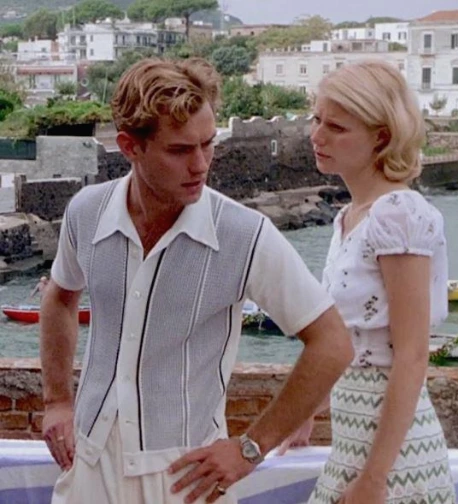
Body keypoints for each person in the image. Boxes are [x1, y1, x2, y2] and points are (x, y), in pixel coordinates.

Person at [39, 57, 354, 504]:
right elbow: (59, 297)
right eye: (180, 150)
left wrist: (250, 448)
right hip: (88, 469)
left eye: (208, 144)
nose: (201, 164)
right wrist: (56, 401)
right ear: (130, 146)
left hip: (187, 479)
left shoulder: (244, 234)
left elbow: (333, 344)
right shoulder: (86, 212)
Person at [284, 60, 456, 503]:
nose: (317, 136)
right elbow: (356, 342)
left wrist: (374, 479)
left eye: (337, 127)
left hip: (395, 462)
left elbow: (412, 355)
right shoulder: (348, 218)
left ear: (381, 136)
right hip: (353, 447)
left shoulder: (399, 214)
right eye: (317, 119)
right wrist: (309, 409)